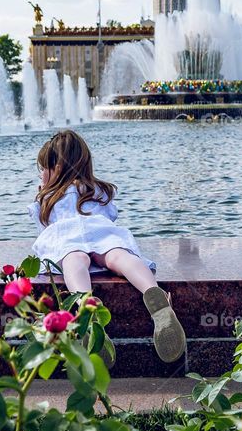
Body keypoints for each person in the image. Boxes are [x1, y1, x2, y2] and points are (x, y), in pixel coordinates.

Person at [29, 130, 186, 363]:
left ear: (58, 168)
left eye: (43, 168)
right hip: (101, 231)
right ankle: (154, 295)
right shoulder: (99, 189)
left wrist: (43, 193)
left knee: (74, 259)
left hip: (65, 237)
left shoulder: (48, 197)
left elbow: (42, 224)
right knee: (117, 256)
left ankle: (86, 305)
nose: (41, 174)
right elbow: (111, 215)